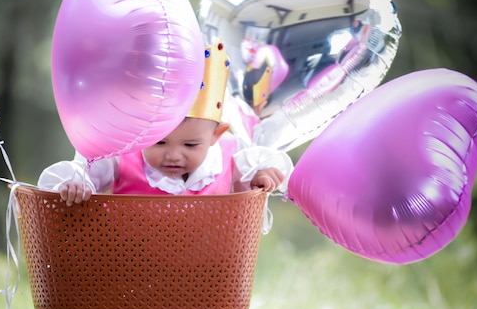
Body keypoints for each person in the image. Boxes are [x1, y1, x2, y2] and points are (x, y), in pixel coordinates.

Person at [38, 42, 293, 206]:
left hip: (207, 272)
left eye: (191, 144)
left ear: (216, 135)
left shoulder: (230, 157)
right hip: (129, 268)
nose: (173, 155)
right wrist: (75, 184)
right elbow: (86, 170)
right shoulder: (122, 155)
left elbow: (262, 173)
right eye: (159, 141)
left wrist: (262, 176)